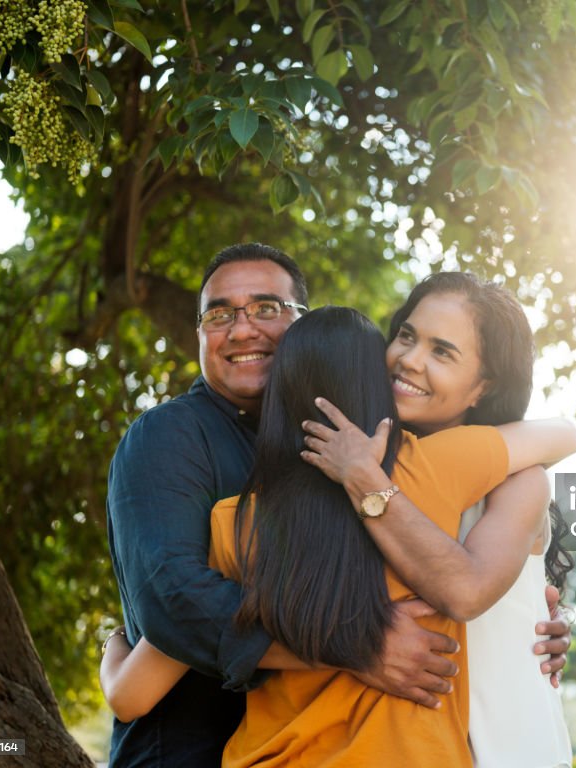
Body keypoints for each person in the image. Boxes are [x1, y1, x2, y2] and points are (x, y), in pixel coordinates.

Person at [102, 306, 576, 766]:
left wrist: (115, 642)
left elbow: (131, 696)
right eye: (407, 339)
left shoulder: (233, 522)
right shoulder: (436, 467)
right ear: (380, 386)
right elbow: (563, 435)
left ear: (278, 395)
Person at [105, 244, 473, 767]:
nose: (240, 329)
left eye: (265, 308)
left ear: (303, 325)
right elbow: (174, 598)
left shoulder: (359, 455)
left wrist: (536, 619)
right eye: (219, 315)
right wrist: (353, 646)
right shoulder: (170, 435)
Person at [301, 272, 574, 767]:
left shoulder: (517, 480)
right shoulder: (355, 460)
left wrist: (366, 483)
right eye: (407, 335)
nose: (409, 359)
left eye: (442, 352)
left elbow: (467, 593)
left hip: (503, 750)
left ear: (483, 387)